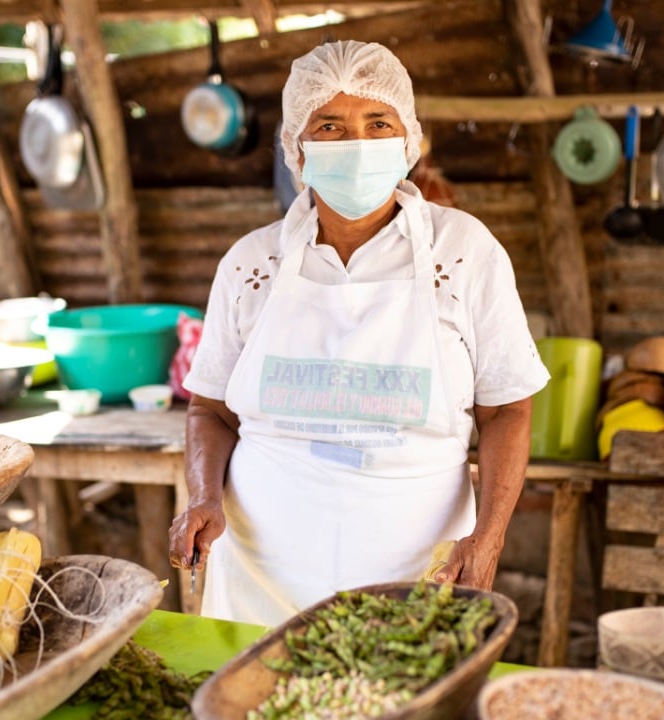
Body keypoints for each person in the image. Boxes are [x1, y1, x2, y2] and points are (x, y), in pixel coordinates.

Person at [167, 39, 550, 627]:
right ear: (297, 146)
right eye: (330, 126)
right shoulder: (250, 264)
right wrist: (202, 497)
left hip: (417, 573)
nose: (358, 145)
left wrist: (489, 536)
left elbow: (508, 411)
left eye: (378, 123)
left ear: (407, 138)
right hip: (260, 575)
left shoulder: (465, 252)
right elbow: (210, 411)